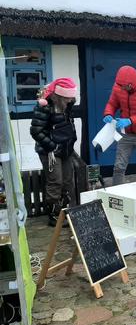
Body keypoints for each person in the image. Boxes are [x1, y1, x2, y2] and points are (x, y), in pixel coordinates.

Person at [30, 78, 78, 226]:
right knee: (55, 182)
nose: (71, 99)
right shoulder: (45, 106)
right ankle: (54, 215)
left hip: (66, 149)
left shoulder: (68, 103)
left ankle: (64, 210)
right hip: (49, 151)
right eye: (68, 96)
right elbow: (36, 131)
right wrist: (52, 146)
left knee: (67, 181)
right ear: (60, 96)